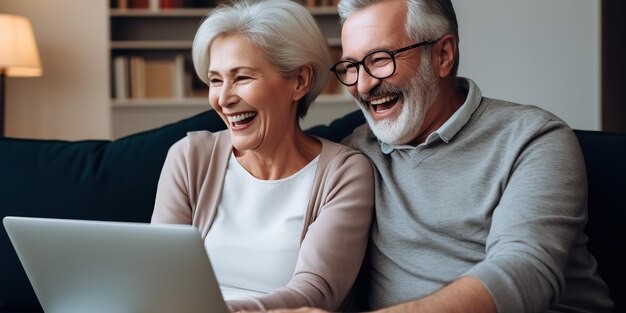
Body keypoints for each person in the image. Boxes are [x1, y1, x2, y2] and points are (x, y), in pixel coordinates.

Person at [269, 0, 614, 312]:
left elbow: (524, 272)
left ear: (443, 56)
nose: (362, 85)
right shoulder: (355, 153)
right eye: (351, 66)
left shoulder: (532, 138)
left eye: (380, 60)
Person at [150, 0, 374, 312]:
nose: (224, 99)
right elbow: (157, 274)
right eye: (216, 80)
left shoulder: (344, 173)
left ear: (299, 81)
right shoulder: (189, 158)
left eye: (241, 77)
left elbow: (316, 292)